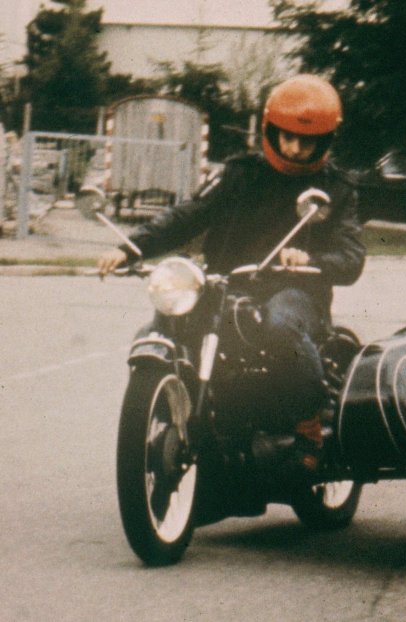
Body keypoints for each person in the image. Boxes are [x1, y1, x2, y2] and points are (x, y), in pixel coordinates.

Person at [97, 75, 366, 472]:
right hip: (223, 285)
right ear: (269, 130)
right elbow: (190, 214)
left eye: (306, 141)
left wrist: (310, 258)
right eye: (286, 136)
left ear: (325, 140)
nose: (294, 148)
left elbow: (352, 255)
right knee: (159, 331)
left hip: (295, 290)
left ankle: (309, 424)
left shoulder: (337, 188)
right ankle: (177, 417)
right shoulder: (239, 173)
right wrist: (130, 247)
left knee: (279, 326)